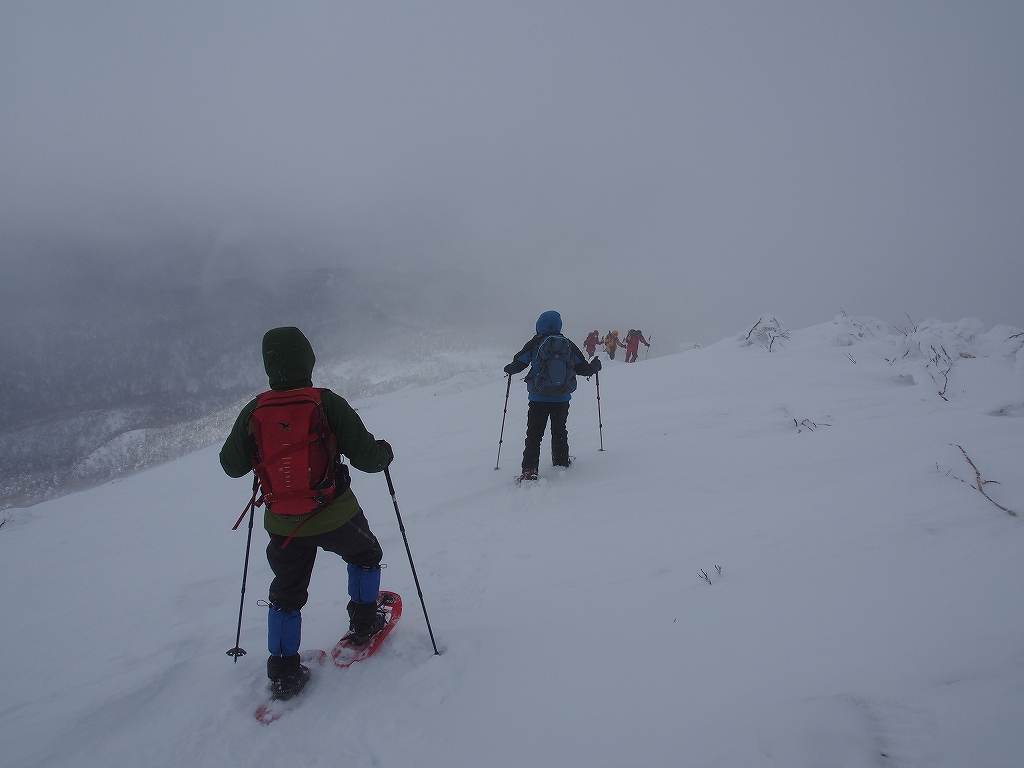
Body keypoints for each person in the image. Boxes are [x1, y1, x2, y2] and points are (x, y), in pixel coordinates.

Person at [219, 327, 394, 701]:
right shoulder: (326, 402)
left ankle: (283, 672)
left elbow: (230, 466)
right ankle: (364, 625)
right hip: (335, 514)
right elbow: (368, 459)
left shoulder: (254, 410)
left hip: (283, 524)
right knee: (366, 556)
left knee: (286, 591)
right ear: (308, 359)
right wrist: (385, 452)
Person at [503, 311, 600, 482]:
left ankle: (530, 468)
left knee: (534, 434)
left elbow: (518, 362)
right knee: (559, 430)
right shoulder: (567, 344)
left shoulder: (535, 342)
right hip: (562, 398)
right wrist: (595, 367)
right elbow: (583, 368)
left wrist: (509, 368)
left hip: (537, 398)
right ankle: (561, 461)